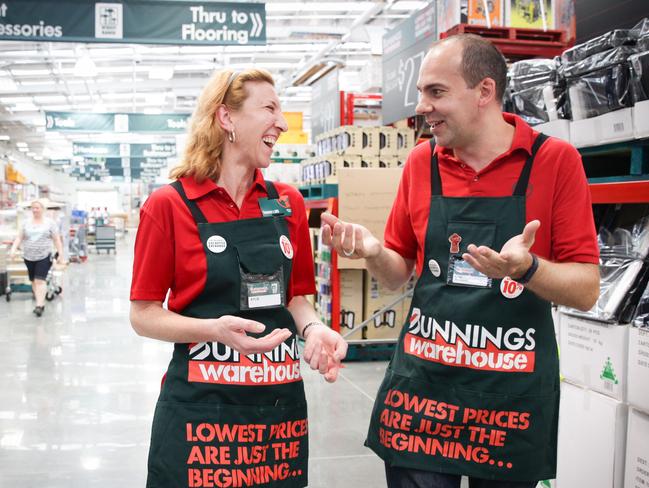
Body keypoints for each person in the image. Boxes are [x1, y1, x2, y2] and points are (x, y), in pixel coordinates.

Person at [322, 34, 600, 488]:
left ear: (484, 92)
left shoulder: (554, 161)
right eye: (420, 94)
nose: (422, 107)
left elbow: (587, 289)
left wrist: (526, 269)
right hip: (424, 391)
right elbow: (397, 275)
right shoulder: (420, 163)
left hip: (508, 400)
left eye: (436, 92)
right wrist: (373, 253)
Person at [129, 68, 347, 488]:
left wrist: (315, 328)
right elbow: (143, 314)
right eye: (269, 108)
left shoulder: (287, 203)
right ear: (225, 118)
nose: (281, 122)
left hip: (276, 415)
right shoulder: (168, 205)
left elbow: (296, 296)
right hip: (202, 417)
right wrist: (213, 330)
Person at [9, 199, 64, 317]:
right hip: (28, 256)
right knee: (33, 281)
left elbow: (56, 239)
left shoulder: (50, 223)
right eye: (33, 208)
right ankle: (40, 301)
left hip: (44, 256)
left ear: (43, 209)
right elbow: (19, 237)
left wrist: (61, 254)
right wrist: (13, 250)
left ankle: (40, 305)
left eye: (37, 208)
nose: (34, 210)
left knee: (40, 280)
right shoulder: (25, 223)